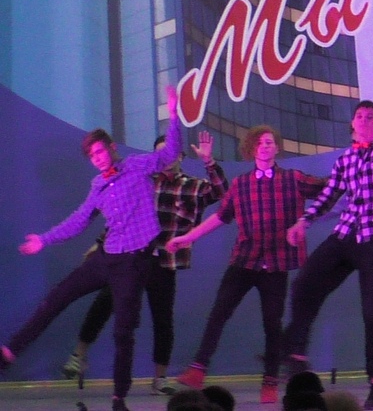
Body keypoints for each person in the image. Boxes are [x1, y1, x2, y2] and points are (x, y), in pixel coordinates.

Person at [1, 87, 182, 411]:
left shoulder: (138, 166)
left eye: (100, 151)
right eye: (92, 155)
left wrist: (174, 114)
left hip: (134, 263)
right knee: (57, 297)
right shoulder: (98, 185)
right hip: (106, 258)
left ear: (112, 148)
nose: (97, 158)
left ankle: (119, 397)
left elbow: (169, 154)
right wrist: (43, 239)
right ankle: (9, 352)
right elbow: (78, 221)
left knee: (124, 330)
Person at [166, 125, 329, 404]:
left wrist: (352, 173)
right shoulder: (242, 184)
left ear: (277, 148)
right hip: (245, 260)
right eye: (260, 142)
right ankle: (198, 369)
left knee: (272, 324)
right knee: (219, 312)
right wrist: (188, 237)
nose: (265, 146)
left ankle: (270, 381)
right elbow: (220, 217)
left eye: (270, 142)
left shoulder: (293, 178)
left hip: (275, 264)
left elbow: (328, 187)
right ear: (252, 149)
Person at [60, 129, 227, 395]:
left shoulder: (193, 186)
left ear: (179, 155)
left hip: (164, 262)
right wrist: (101, 243)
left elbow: (223, 194)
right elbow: (121, 218)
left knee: (163, 319)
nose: (166, 158)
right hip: (130, 258)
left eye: (170, 153)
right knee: (105, 302)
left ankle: (159, 379)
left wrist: (209, 161)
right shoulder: (142, 179)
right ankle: (79, 355)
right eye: (160, 153)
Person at [281, 102, 373, 410]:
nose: (364, 120)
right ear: (352, 125)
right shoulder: (346, 159)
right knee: (305, 283)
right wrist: (304, 221)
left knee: (371, 311)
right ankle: (295, 353)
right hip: (345, 234)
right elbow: (330, 194)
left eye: (370, 117)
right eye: (359, 117)